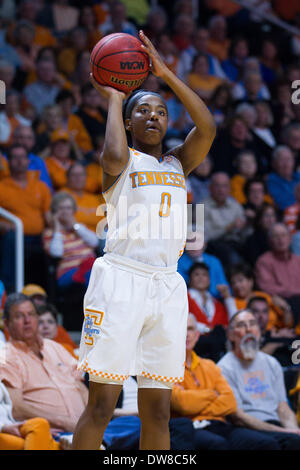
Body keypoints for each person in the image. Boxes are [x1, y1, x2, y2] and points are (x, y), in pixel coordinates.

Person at [72, 30, 216, 451]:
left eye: (161, 112)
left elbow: (206, 127)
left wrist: (165, 73)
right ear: (130, 122)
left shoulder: (177, 163)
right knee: (102, 403)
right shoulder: (121, 162)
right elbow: (113, 155)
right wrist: (115, 97)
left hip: (167, 284)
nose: (154, 117)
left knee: (158, 411)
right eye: (144, 111)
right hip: (120, 281)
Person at [170, 314, 281, 450]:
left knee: (266, 443)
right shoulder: (165, 367)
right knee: (218, 444)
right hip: (190, 428)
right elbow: (182, 404)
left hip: (220, 424)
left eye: (190, 329)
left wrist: (195, 402)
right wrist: (213, 394)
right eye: (180, 329)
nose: (185, 334)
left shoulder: (210, 365)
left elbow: (230, 403)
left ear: (197, 335)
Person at [0, 293, 88, 435]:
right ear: (7, 323)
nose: (27, 320)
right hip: (56, 432)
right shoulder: (6, 356)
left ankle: (99, 438)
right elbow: (16, 408)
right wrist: (63, 422)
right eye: (19, 316)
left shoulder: (55, 347)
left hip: (87, 426)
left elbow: (81, 388)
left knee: (132, 422)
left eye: (31, 314)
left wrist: (94, 420)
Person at [218, 309, 300, 449]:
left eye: (252, 324)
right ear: (231, 335)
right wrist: (285, 432)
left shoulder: (271, 363)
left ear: (260, 331)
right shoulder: (223, 368)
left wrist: (294, 430)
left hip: (275, 425)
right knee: (271, 443)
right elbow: (238, 416)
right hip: (244, 428)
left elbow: (282, 407)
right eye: (241, 325)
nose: (248, 329)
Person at [0, 144, 51, 292]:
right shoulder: (2, 186)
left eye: (23, 157)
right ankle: (9, 290)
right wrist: (4, 225)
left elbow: (48, 216)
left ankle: (44, 294)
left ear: (29, 161)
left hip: (38, 237)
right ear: (8, 161)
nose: (19, 161)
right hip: (12, 238)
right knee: (11, 238)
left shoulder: (41, 186)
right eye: (15, 157)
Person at [43, 192, 98, 289]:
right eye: (61, 208)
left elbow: (95, 242)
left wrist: (75, 227)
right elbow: (56, 253)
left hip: (90, 266)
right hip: (69, 271)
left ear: (73, 210)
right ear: (54, 211)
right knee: (94, 276)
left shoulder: (79, 228)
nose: (65, 211)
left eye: (68, 208)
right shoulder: (50, 233)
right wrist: (57, 228)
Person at [255, 222, 300, 324]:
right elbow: (267, 287)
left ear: (290, 238)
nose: (281, 239)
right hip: (280, 302)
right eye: (276, 236)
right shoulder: (264, 261)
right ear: (270, 241)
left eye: (284, 235)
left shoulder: (298, 260)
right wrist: (294, 290)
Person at [0, 379, 60, 450]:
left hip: (8, 428)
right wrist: (3, 427)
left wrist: (42, 432)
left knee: (50, 440)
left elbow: (5, 413)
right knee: (39, 426)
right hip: (3, 430)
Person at [204, 172, 247, 266]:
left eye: (224, 186)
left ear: (229, 189)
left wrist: (248, 224)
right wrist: (229, 227)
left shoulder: (235, 205)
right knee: (230, 254)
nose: (221, 190)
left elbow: (244, 230)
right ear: (210, 188)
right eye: (217, 186)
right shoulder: (200, 206)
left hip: (237, 242)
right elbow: (205, 235)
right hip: (215, 246)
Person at [247, 296, 296, 366]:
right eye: (256, 311)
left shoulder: (274, 334)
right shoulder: (243, 336)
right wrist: (277, 341)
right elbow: (253, 361)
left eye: (264, 311)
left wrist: (290, 342)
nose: (261, 316)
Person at [266, 145, 300, 212]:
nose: (286, 164)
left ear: (293, 161)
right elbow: (283, 203)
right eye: (282, 160)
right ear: (274, 163)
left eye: (288, 159)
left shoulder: (298, 177)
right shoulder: (271, 180)